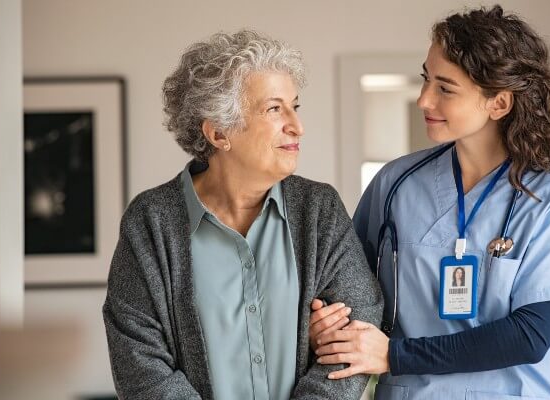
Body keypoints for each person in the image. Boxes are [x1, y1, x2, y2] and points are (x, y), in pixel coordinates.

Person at [307, 5, 550, 399]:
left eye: (445, 89)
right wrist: (326, 323)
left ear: (499, 103)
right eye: (426, 80)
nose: (424, 100)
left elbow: (529, 335)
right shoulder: (395, 184)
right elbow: (345, 288)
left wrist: (396, 356)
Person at [102, 29, 383, 400]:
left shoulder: (319, 210)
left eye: (294, 107)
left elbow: (356, 329)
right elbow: (141, 365)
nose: (296, 126)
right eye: (273, 109)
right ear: (219, 133)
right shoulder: (150, 222)